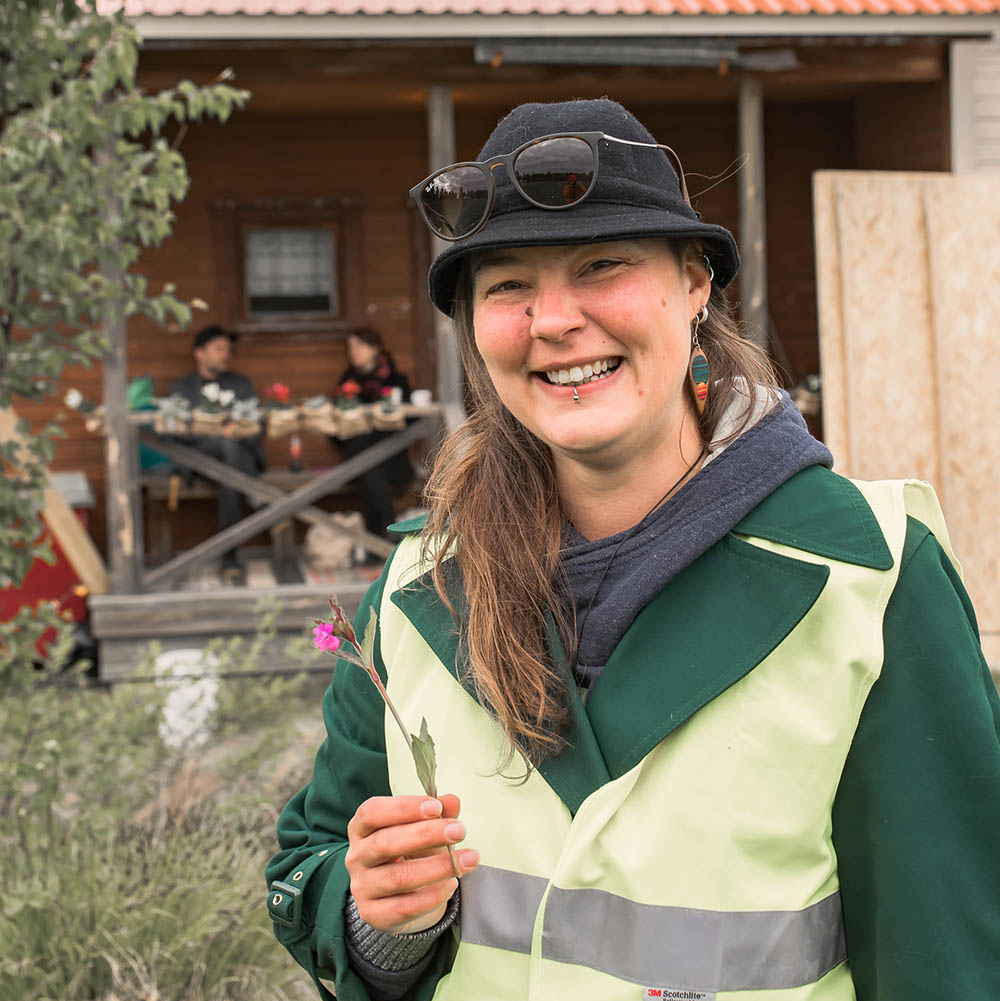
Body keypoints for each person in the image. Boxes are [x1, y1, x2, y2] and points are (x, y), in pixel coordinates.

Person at [266, 99, 1000, 1001]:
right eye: (506, 285)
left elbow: (950, 961)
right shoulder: (425, 585)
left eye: (602, 265)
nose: (554, 320)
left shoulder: (872, 574)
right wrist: (377, 922)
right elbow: (311, 862)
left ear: (696, 285)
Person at [168, 325, 265, 579]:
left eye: (228, 350)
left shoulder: (240, 384)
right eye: (219, 349)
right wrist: (219, 431)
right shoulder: (182, 388)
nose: (226, 355)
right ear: (199, 353)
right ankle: (255, 494)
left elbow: (257, 426)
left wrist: (236, 430)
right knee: (228, 448)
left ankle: (229, 557)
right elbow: (178, 432)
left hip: (233, 465)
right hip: (198, 463)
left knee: (231, 467)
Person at [334, 327, 413, 541]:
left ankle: (375, 536)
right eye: (350, 347)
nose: (354, 351)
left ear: (375, 348)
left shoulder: (395, 379)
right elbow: (336, 424)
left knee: (371, 466)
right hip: (358, 453)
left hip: (391, 453)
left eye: (359, 346)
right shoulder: (347, 381)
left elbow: (412, 419)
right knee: (365, 455)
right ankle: (388, 526)